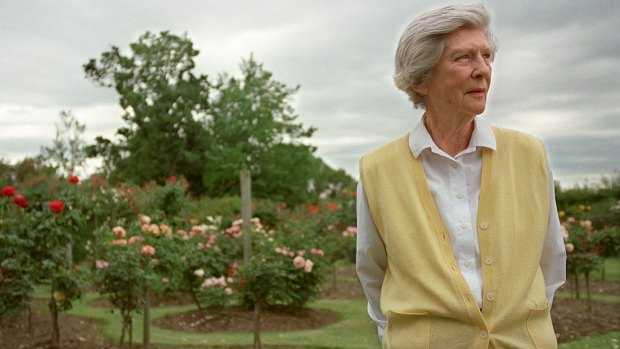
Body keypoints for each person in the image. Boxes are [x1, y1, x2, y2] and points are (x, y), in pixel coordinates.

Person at [356, 4, 567, 348]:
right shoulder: (378, 169)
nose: (483, 70)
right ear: (419, 80)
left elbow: (551, 260)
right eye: (464, 58)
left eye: (486, 56)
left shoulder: (530, 155)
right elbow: (373, 271)